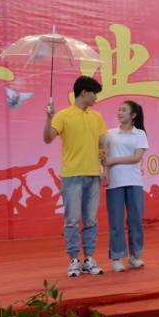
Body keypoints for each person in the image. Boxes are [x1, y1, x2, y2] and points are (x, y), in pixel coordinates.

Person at [44, 76, 108, 277]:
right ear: (83, 93)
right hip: (71, 175)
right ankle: (73, 260)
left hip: (93, 175)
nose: (96, 97)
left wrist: (105, 170)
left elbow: (103, 145)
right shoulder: (62, 116)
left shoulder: (97, 117)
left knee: (90, 220)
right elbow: (47, 138)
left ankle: (89, 259)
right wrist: (48, 118)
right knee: (72, 220)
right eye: (94, 93)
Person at [101, 100, 149, 272]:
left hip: (134, 181)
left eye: (123, 110)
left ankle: (135, 256)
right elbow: (104, 156)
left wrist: (113, 160)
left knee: (135, 219)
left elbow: (137, 157)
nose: (119, 112)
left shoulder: (140, 134)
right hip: (115, 183)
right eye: (119, 109)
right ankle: (117, 257)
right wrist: (106, 172)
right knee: (116, 221)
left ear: (133, 115)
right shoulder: (109, 133)